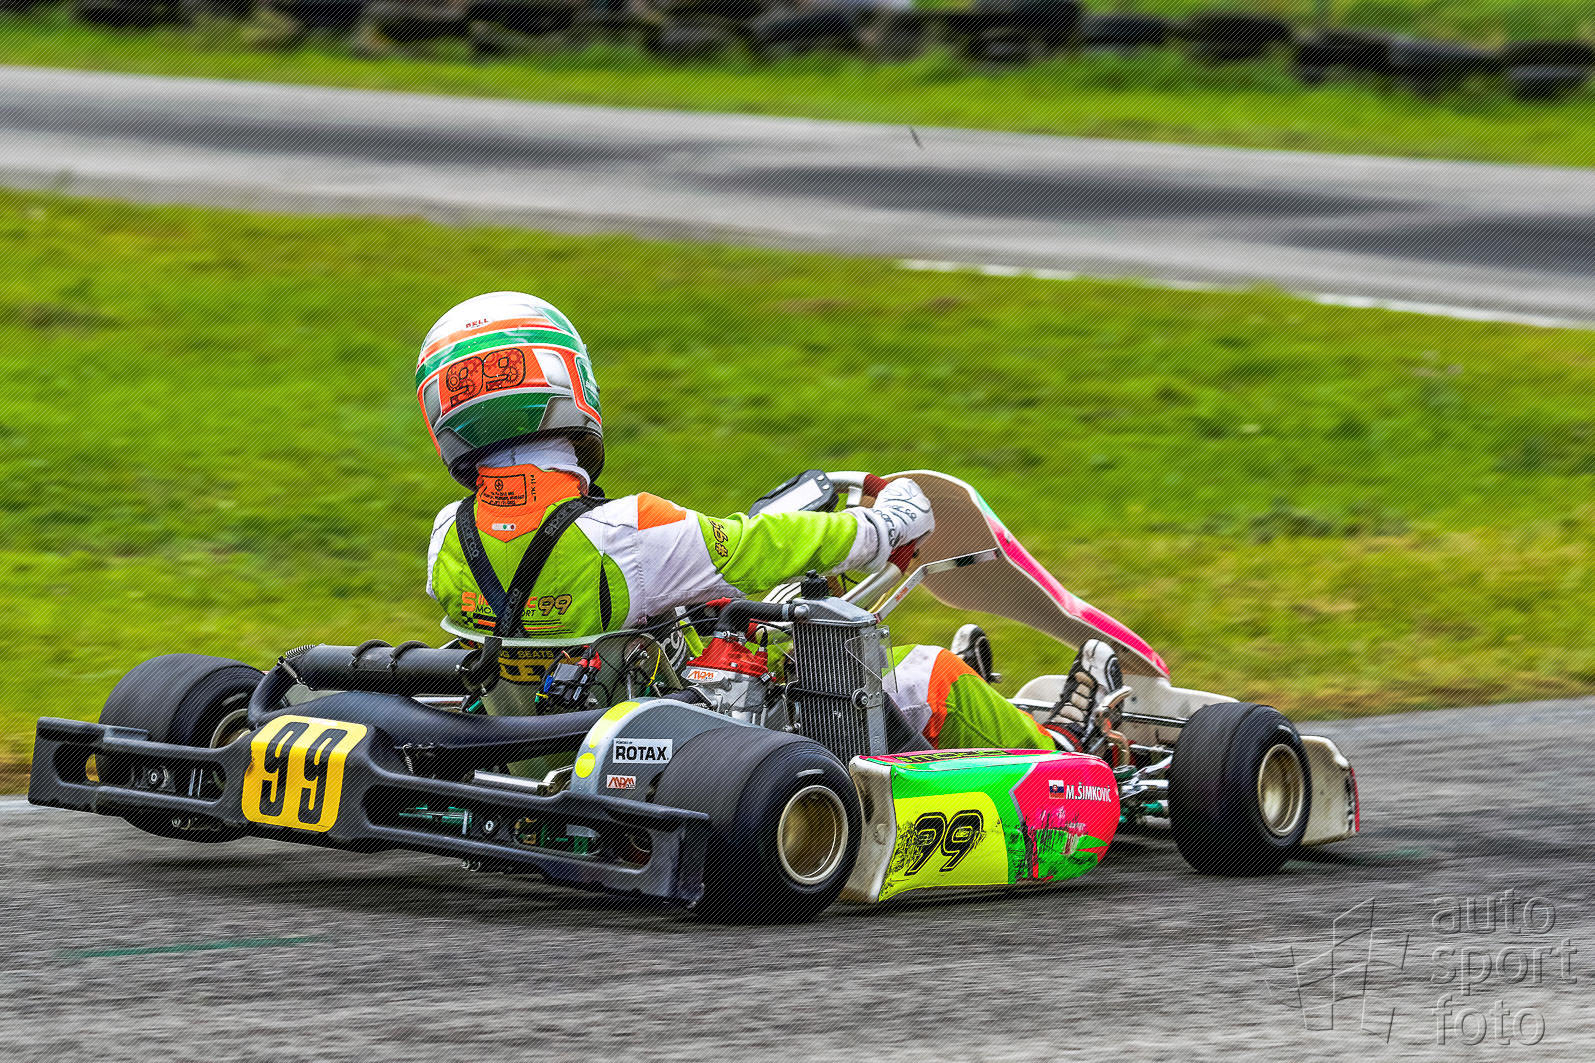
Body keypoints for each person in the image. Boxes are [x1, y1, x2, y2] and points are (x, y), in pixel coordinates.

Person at [418, 291, 1125, 752]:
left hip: (529, 749)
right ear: (568, 385)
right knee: (925, 674)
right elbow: (765, 545)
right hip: (659, 750)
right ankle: (1068, 753)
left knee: (731, 620)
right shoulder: (632, 531)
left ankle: (973, 721)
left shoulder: (448, 537)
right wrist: (886, 525)